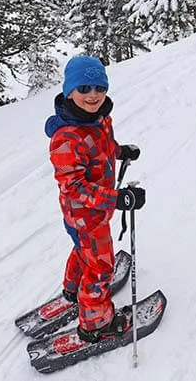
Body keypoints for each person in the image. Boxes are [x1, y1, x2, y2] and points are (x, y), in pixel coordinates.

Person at [44, 55, 145, 342]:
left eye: (99, 88)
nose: (93, 95)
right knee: (100, 265)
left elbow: (101, 146)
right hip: (84, 214)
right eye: (84, 88)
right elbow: (73, 187)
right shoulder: (66, 139)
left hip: (95, 212)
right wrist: (118, 198)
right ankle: (96, 323)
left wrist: (120, 151)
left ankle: (73, 289)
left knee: (83, 251)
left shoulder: (99, 119)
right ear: (69, 91)